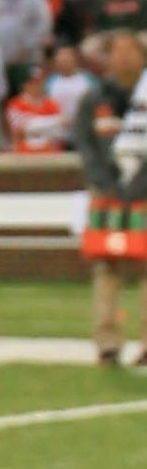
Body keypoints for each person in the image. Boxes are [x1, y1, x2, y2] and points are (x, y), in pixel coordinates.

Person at [72, 30, 147, 367]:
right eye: (117, 50)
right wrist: (101, 179)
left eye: (130, 49)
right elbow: (83, 141)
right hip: (106, 189)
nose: (123, 57)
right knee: (106, 265)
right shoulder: (94, 96)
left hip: (144, 188)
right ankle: (107, 341)